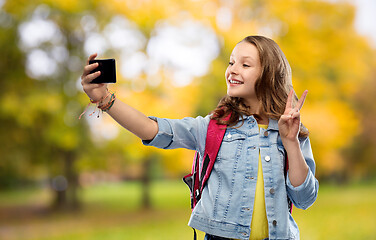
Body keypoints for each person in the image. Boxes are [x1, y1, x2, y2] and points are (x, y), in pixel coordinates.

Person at [81, 35, 319, 240]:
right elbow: (152, 129)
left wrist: (290, 142)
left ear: (269, 74)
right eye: (231, 62)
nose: (232, 70)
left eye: (245, 65)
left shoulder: (291, 130)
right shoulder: (214, 127)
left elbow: (304, 198)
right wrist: (105, 100)